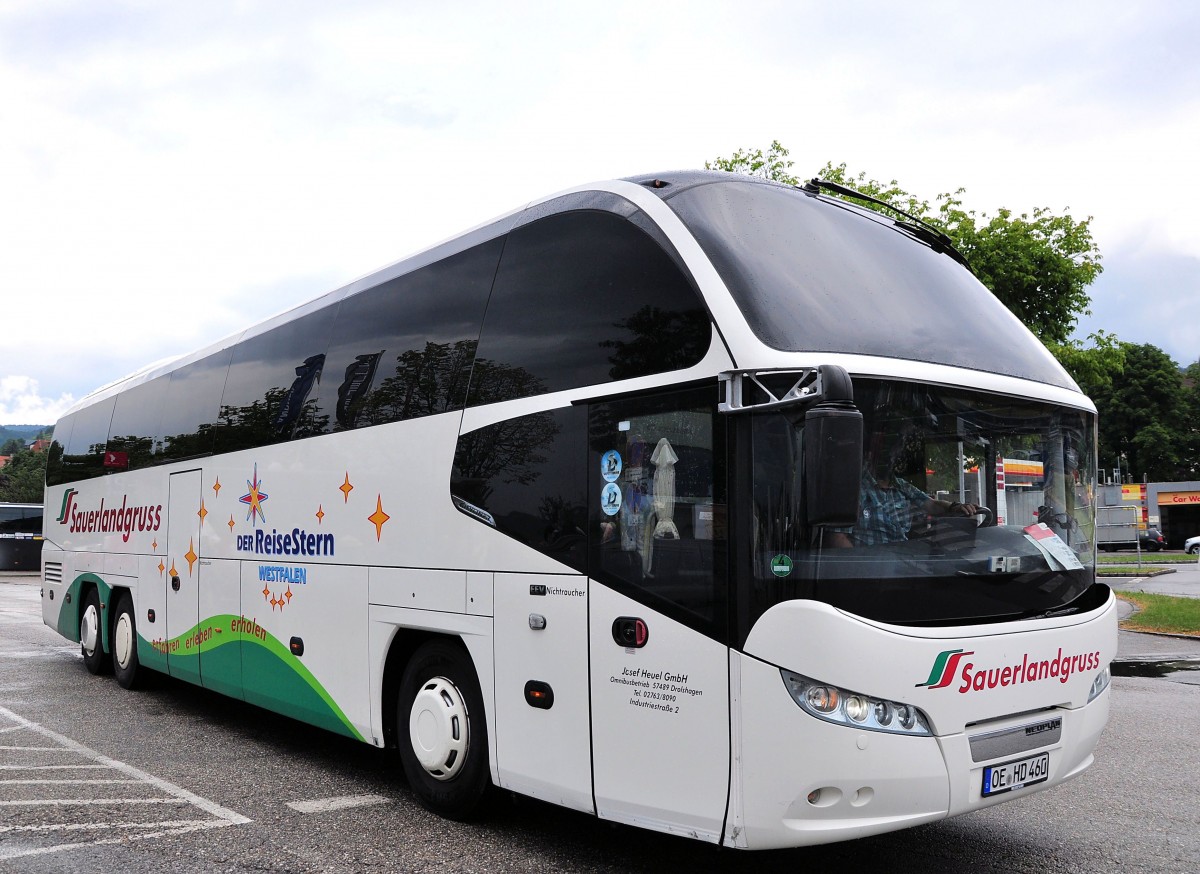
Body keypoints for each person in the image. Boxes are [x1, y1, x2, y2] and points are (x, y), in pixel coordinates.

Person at [829, 424, 981, 548]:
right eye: (886, 455)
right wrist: (863, 569)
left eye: (895, 455)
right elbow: (837, 538)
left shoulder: (901, 486)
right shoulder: (853, 490)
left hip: (902, 565)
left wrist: (954, 507)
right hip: (871, 570)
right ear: (870, 455)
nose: (891, 460)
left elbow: (932, 505)